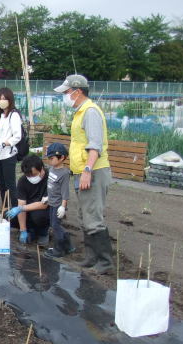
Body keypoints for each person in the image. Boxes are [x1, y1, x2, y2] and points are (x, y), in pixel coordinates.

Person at [54, 74, 113, 273]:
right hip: (82, 172)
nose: (65, 96)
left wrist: (87, 170)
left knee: (93, 216)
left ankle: (105, 262)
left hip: (93, 171)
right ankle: (90, 257)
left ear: (77, 92)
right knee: (84, 215)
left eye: (67, 92)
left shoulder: (90, 112)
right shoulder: (80, 112)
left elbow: (94, 146)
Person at [5, 155, 50, 245]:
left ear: (41, 169)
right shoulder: (23, 181)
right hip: (27, 209)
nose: (30, 178)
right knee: (7, 217)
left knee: (38, 217)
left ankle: (43, 233)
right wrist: (23, 230)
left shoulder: (50, 178)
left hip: (44, 209)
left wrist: (21, 208)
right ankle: (30, 230)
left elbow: (44, 204)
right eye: (28, 175)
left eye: (33, 175)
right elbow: (21, 203)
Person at [0, 88, 22, 209]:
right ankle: (5, 209)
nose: (1, 101)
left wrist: (4, 144)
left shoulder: (14, 115)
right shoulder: (1, 116)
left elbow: (17, 136)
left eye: (4, 98)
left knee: (10, 185)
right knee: (1, 185)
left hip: (8, 155)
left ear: (10, 100)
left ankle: (14, 212)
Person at [43, 143, 75, 258]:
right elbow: (51, 186)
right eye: (49, 158)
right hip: (52, 202)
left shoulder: (64, 174)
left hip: (58, 204)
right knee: (53, 224)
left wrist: (63, 206)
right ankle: (69, 246)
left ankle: (59, 249)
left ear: (61, 158)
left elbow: (65, 192)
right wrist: (48, 197)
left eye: (52, 158)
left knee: (56, 226)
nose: (50, 161)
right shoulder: (52, 169)